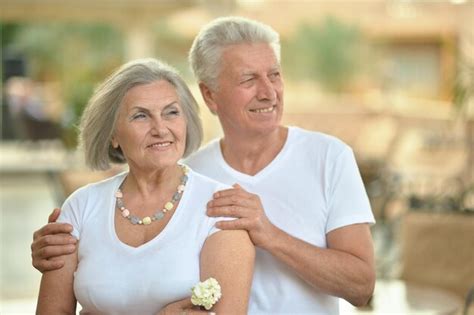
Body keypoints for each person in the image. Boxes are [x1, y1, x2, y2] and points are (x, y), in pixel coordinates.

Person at [32, 17, 375, 314]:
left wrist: (269, 234)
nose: (268, 91)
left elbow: (362, 288)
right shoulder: (188, 171)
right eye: (248, 79)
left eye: (274, 75)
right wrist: (59, 255)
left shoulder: (329, 158)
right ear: (209, 96)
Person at [35, 58, 255, 315]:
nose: (160, 129)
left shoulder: (222, 208)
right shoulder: (81, 206)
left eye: (171, 112)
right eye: (141, 116)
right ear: (113, 135)